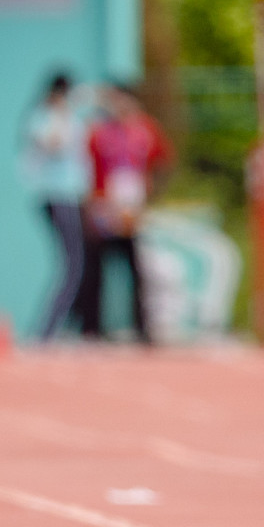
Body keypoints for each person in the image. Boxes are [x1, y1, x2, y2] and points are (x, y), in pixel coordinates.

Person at [78, 85, 172, 342]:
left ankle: (143, 329)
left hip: (132, 209)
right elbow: (86, 171)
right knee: (95, 268)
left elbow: (162, 162)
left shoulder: (146, 131)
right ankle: (91, 329)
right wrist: (92, 207)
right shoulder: (98, 133)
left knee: (136, 270)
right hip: (104, 208)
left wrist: (149, 197)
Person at [21, 72, 91, 341]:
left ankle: (56, 328)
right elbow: (55, 145)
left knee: (76, 265)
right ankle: (46, 332)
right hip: (55, 196)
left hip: (72, 197)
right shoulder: (42, 117)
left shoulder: (72, 119)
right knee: (73, 265)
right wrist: (62, 112)